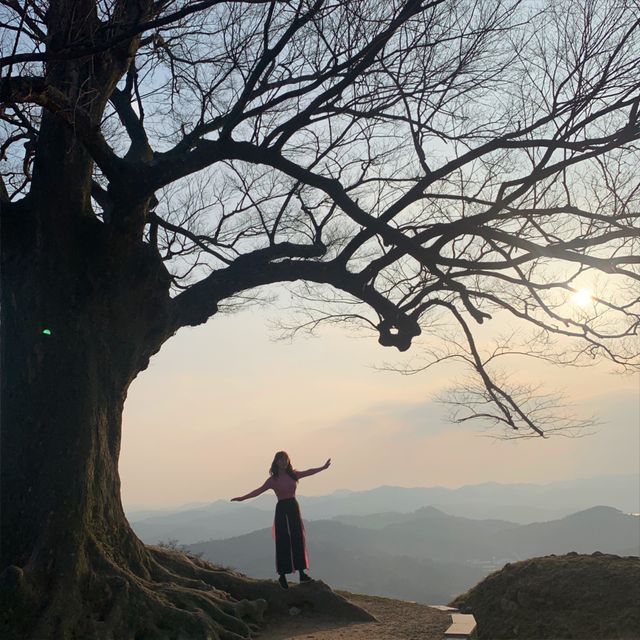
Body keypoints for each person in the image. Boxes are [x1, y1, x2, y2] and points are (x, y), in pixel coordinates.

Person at [231, 451, 331, 589]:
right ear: (276, 462)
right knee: (283, 540)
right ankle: (282, 576)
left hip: (293, 507)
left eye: (286, 460)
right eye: (281, 460)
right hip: (282, 509)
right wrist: (242, 498)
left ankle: (302, 574)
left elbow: (309, 472)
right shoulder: (273, 480)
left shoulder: (293, 474)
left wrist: (323, 467)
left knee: (297, 538)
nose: (284, 462)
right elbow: (258, 491)